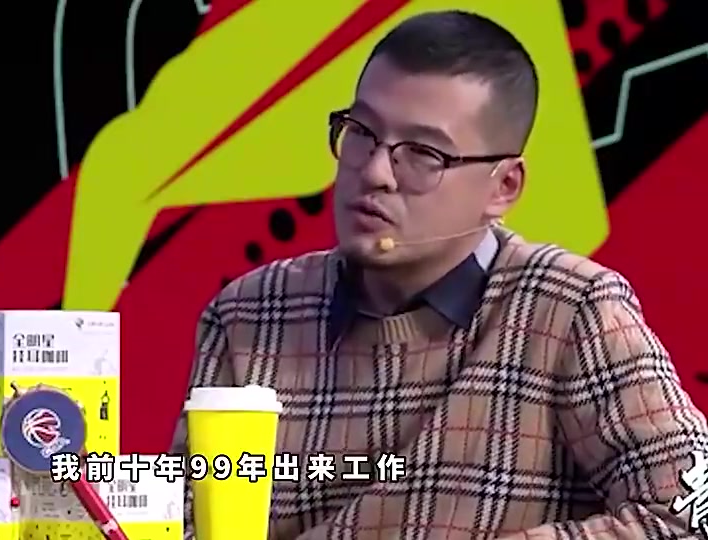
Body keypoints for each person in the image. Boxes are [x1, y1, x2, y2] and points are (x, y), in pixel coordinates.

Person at [171, 9, 708, 539]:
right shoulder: (249, 314)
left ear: (503, 187)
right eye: (361, 133)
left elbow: (688, 514)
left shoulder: (570, 309)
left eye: (423, 154)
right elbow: (188, 524)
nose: (375, 172)